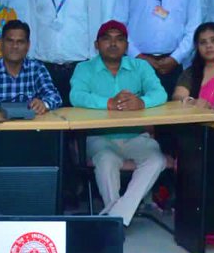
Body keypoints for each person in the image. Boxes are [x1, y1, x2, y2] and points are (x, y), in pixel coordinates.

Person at [69, 21, 168, 226]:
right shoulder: (84, 68)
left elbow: (160, 93)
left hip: (136, 136)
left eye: (119, 39)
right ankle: (118, 219)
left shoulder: (140, 67)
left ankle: (115, 219)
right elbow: (76, 95)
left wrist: (142, 102)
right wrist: (108, 104)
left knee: (157, 160)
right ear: (97, 44)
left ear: (126, 45)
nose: (113, 43)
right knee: (106, 160)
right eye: (107, 38)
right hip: (99, 138)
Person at [0, 20, 61, 114]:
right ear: (1, 44)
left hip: (31, 126)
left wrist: (44, 104)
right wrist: (7, 107)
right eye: (10, 41)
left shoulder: (37, 68)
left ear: (28, 45)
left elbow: (55, 97)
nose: (15, 46)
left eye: (20, 42)